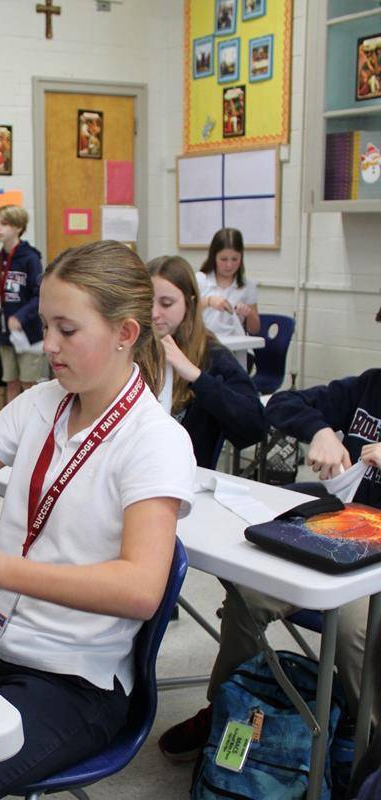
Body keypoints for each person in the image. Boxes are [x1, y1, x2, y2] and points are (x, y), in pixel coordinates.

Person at [0, 240, 196, 799]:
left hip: (72, 680)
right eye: (46, 324)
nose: (48, 344)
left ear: (125, 333)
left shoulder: (155, 441)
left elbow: (142, 589)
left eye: (66, 330)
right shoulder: (43, 402)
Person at [158, 361, 381, 763]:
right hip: (342, 540)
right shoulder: (369, 385)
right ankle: (226, 707)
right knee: (249, 596)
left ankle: (368, 743)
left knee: (351, 627)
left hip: (373, 571)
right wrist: (321, 430)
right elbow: (282, 403)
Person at [147, 255, 265, 468]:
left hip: (185, 478)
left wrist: (196, 376)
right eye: (147, 303)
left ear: (190, 303)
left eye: (166, 303)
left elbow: (254, 426)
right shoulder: (131, 347)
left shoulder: (213, 355)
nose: (154, 314)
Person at [0, 204, 47, 403]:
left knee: (28, 383)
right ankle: (10, 428)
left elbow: (39, 295)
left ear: (18, 227)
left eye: (4, 224)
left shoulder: (30, 258)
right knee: (11, 382)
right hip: (6, 332)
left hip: (28, 332)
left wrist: (21, 317)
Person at [197, 228, 260, 338]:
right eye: (223, 259)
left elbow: (255, 330)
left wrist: (248, 313)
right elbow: (185, 315)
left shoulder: (248, 286)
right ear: (214, 257)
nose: (229, 265)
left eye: (235, 259)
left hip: (237, 347)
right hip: (205, 344)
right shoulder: (200, 280)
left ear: (241, 257)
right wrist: (208, 302)